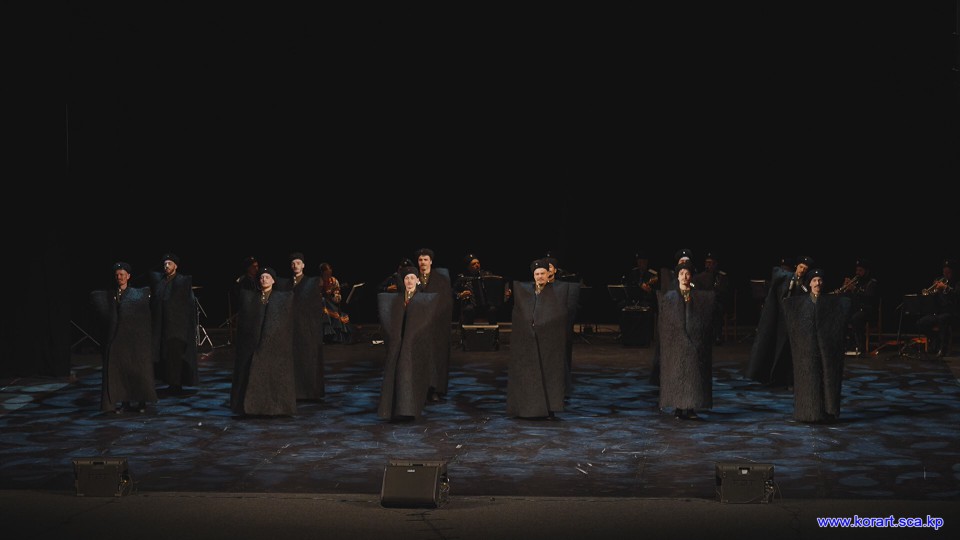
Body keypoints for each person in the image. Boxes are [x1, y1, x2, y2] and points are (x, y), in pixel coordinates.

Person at [506, 259, 579, 419]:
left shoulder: (557, 293)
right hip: (528, 341)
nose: (540, 276)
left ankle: (549, 409)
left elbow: (560, 315)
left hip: (549, 342)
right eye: (537, 274)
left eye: (542, 274)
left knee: (549, 377)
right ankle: (527, 409)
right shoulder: (526, 292)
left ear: (548, 275)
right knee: (529, 376)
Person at [781, 269, 851, 423]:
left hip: (825, 347)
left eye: (819, 280)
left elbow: (841, 312)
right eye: (814, 280)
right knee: (809, 379)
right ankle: (808, 413)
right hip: (807, 347)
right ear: (810, 284)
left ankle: (827, 411)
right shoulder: (802, 303)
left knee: (826, 379)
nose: (817, 283)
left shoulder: (829, 302)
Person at [89, 262, 158, 413]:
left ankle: (141, 402)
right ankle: (125, 402)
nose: (119, 277)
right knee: (122, 371)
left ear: (128, 276)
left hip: (135, 339)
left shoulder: (136, 294)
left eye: (122, 274)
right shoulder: (112, 295)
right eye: (117, 275)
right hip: (119, 340)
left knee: (138, 370)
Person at [230, 267, 297, 416]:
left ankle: (275, 407)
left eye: (267, 277)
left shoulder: (282, 298)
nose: (264, 279)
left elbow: (284, 323)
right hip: (253, 343)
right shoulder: (250, 298)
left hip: (273, 344)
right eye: (261, 277)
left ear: (273, 280)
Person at [376, 266, 438, 421]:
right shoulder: (396, 300)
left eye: (412, 278)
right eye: (406, 278)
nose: (409, 281)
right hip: (399, 342)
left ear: (417, 280)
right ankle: (398, 408)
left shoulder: (424, 300)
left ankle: (410, 407)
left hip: (415, 342)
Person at [657, 261, 716, 420]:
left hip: (693, 340)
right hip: (677, 341)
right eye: (682, 273)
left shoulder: (698, 296)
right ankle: (678, 407)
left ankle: (690, 408)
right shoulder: (671, 296)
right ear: (677, 276)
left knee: (691, 376)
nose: (685, 276)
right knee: (677, 374)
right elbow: (666, 319)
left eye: (687, 273)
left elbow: (703, 316)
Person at [747, 255, 815, 388]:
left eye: (805, 269)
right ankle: (773, 378)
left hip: (794, 322)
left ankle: (789, 380)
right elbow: (777, 273)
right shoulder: (786, 278)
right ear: (796, 266)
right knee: (775, 349)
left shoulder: (805, 284)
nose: (802, 270)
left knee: (789, 353)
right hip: (780, 320)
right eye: (801, 267)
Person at [148, 253, 198, 393]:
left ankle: (177, 384)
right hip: (163, 325)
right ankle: (170, 382)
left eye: (169, 263)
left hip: (177, 326)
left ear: (176, 266)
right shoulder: (161, 282)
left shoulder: (182, 281)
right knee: (165, 356)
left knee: (176, 356)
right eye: (164, 264)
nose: (166, 266)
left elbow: (188, 303)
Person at [280, 252, 325, 400]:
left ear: (303, 265)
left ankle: (310, 392)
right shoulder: (286, 284)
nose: (295, 266)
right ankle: (295, 392)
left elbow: (315, 306)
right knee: (293, 361)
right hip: (291, 327)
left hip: (307, 327)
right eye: (293, 263)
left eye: (298, 263)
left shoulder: (311, 282)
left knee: (308, 359)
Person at [415, 248, 454, 402]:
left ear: (431, 261)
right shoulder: (413, 278)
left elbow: (445, 302)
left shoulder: (441, 279)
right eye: (420, 260)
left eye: (425, 259)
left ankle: (435, 389)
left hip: (436, 325)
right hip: (418, 325)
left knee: (437, 358)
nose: (423, 262)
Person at [835, 258, 879, 355]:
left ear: (867, 271)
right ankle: (846, 344)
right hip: (856, 309)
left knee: (856, 318)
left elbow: (868, 298)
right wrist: (844, 288)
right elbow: (849, 298)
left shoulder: (872, 282)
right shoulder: (857, 282)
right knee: (841, 316)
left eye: (860, 270)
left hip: (868, 311)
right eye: (857, 270)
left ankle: (860, 346)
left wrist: (854, 289)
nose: (857, 273)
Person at [916, 259, 957, 357]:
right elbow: (931, 300)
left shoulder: (956, 283)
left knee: (942, 320)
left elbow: (956, 296)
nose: (946, 275)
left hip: (951, 313)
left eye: (948, 273)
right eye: (944, 272)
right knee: (921, 323)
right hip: (938, 313)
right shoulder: (939, 280)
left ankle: (943, 348)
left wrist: (945, 288)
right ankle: (935, 339)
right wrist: (934, 292)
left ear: (952, 272)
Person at [454, 254, 505, 325]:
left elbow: (498, 287)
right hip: (470, 304)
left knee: (492, 309)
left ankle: (493, 331)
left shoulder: (486, 274)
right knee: (468, 309)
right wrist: (460, 295)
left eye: (478, 263)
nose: (477, 265)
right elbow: (454, 291)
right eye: (473, 264)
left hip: (486, 304)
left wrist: (505, 292)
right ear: (468, 267)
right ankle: (468, 330)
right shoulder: (462, 278)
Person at [697, 252, 732, 345]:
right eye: (706, 263)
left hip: (718, 302)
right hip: (703, 302)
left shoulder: (721, 276)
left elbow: (723, 291)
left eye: (710, 263)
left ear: (715, 264)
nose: (708, 265)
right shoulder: (700, 277)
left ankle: (717, 336)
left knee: (716, 309)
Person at [318, 262, 351, 344]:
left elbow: (337, 301)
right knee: (323, 300)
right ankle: (327, 335)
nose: (328, 276)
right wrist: (323, 294)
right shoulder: (319, 281)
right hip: (322, 307)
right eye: (326, 274)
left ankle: (336, 337)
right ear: (322, 273)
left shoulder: (334, 281)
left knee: (339, 314)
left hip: (332, 306)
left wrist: (335, 295)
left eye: (330, 273)